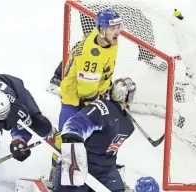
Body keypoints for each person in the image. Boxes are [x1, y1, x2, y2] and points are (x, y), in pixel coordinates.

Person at [49, 7, 123, 185]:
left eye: (118, 26)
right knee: (66, 139)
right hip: (75, 99)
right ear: (101, 29)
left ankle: (98, 167)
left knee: (98, 134)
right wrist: (101, 104)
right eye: (113, 28)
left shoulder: (106, 40)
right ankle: (55, 174)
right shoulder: (91, 55)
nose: (117, 32)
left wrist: (106, 87)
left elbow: (103, 70)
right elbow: (86, 95)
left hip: (92, 91)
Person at [47, 2, 158, 94]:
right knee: (90, 44)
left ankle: (148, 55)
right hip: (93, 5)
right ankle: (60, 75)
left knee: (142, 23)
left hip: (117, 4)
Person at [53, 77, 137, 192]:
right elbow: (75, 124)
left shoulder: (128, 124)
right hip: (82, 164)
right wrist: (72, 138)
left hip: (106, 170)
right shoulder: (102, 107)